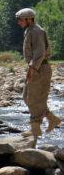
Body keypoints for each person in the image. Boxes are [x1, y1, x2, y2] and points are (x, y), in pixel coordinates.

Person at [17, 8, 62, 144]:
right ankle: (52, 118)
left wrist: (32, 69)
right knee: (27, 97)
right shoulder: (30, 30)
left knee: (33, 99)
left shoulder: (36, 31)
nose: (18, 22)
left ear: (29, 19)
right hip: (36, 67)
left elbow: (40, 53)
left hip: (40, 68)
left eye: (20, 19)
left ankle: (35, 132)